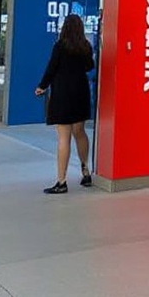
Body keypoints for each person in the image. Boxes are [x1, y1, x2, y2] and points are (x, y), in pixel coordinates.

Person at [35, 14, 94, 194]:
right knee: (80, 132)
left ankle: (61, 181)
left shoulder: (60, 46)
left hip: (62, 94)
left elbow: (51, 68)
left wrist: (42, 86)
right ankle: (86, 171)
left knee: (63, 137)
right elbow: (90, 66)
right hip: (81, 93)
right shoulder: (85, 46)